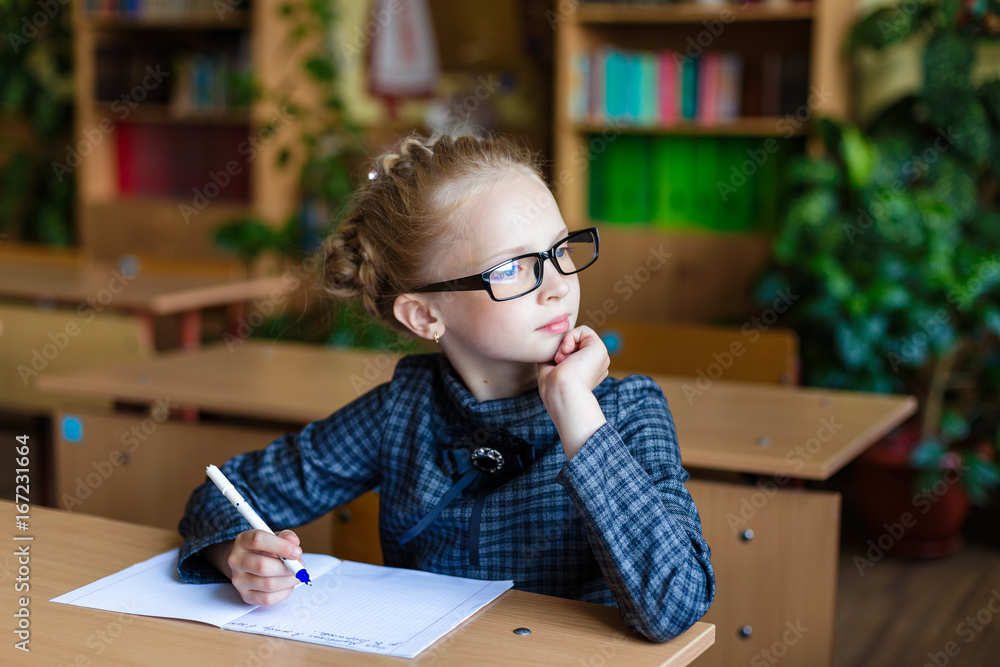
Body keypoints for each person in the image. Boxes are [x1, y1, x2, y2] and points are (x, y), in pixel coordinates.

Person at [177, 130, 715, 642]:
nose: (556, 286)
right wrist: (235, 555)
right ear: (424, 316)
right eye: (510, 269)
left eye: (559, 251)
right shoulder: (403, 410)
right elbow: (224, 492)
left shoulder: (627, 411)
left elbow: (675, 606)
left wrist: (575, 411)